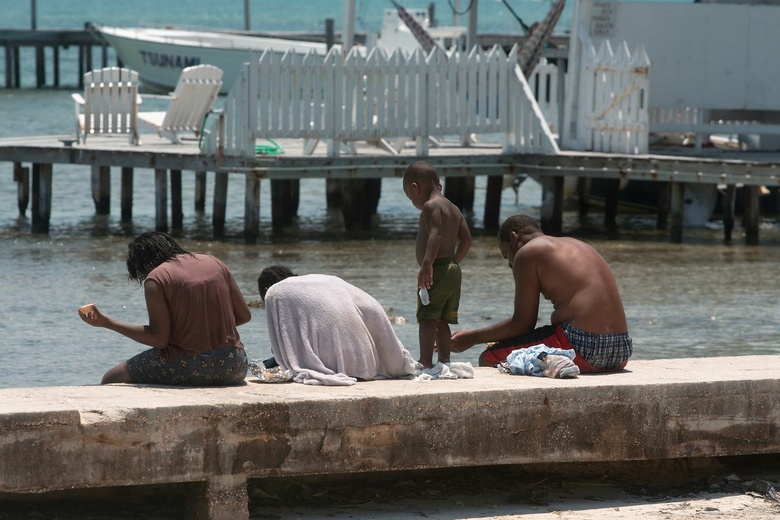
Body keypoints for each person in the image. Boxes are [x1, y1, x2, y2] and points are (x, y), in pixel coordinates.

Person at [451, 215, 632, 373]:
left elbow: (523, 324)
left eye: (507, 256)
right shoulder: (577, 244)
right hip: (621, 351)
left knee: (490, 357)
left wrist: (472, 337)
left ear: (514, 238)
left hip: (585, 348)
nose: (510, 265)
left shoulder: (527, 253)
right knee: (512, 347)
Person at [79, 232, 251, 385]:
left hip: (192, 367)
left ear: (142, 264)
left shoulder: (156, 278)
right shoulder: (214, 262)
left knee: (111, 377)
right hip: (235, 365)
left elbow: (160, 339)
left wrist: (107, 322)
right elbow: (244, 316)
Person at [258, 265, 418, 386]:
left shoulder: (277, 292)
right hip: (368, 363)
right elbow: (372, 308)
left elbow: (288, 349)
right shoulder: (325, 281)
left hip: (333, 365)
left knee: (270, 363)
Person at [403, 160, 472, 368]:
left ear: (416, 187)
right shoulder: (453, 208)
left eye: (409, 196)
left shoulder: (430, 206)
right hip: (451, 269)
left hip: (435, 269)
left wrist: (427, 264)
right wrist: (453, 263)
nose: (411, 201)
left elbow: (435, 234)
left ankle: (425, 361)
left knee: (426, 317)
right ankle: (444, 360)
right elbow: (467, 240)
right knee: (442, 319)